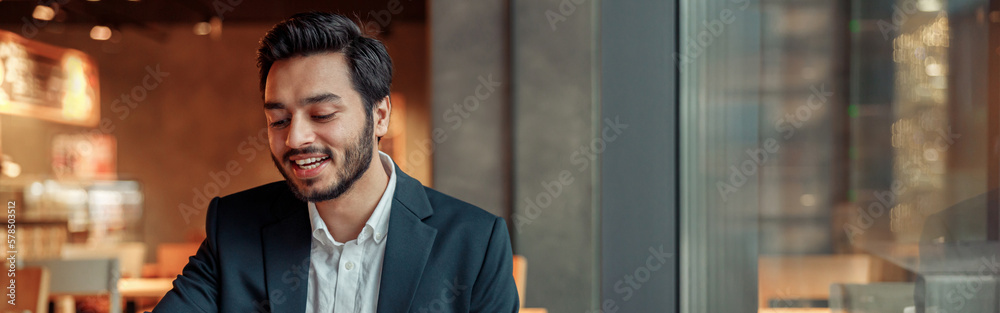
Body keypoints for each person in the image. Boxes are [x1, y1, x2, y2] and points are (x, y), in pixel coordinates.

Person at [153, 12, 519, 313]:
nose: (295, 139)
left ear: (380, 115)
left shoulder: (475, 243)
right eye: (279, 120)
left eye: (323, 114)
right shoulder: (234, 228)